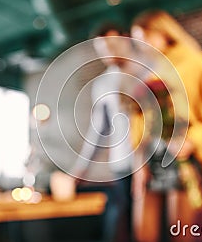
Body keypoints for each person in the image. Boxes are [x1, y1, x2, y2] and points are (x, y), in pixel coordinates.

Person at [130, 10, 202, 242]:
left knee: (181, 231)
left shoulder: (195, 62)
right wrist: (138, 162)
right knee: (143, 230)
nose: (141, 45)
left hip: (182, 153)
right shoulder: (147, 69)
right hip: (150, 154)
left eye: (144, 37)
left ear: (162, 33)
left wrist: (193, 140)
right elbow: (139, 120)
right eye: (137, 40)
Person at [51, 23, 134, 242]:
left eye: (112, 44)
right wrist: (80, 171)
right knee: (121, 225)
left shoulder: (148, 69)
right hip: (123, 167)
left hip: (154, 163)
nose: (108, 52)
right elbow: (99, 132)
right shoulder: (103, 84)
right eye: (102, 48)